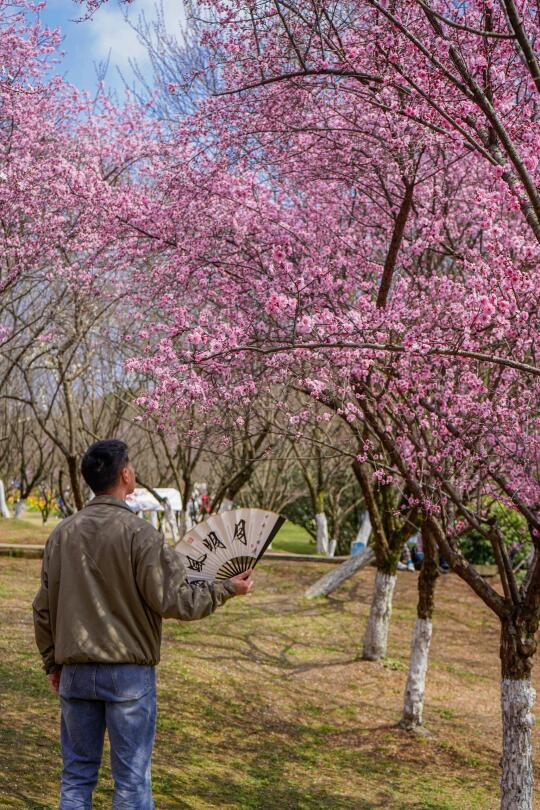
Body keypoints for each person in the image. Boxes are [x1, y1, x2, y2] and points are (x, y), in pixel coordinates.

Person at [33, 439, 253, 810]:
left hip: (75, 672)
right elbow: (174, 600)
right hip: (129, 676)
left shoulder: (62, 534)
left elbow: (42, 609)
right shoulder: (141, 535)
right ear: (125, 474)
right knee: (132, 780)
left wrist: (53, 662)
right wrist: (226, 590)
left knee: (76, 776)